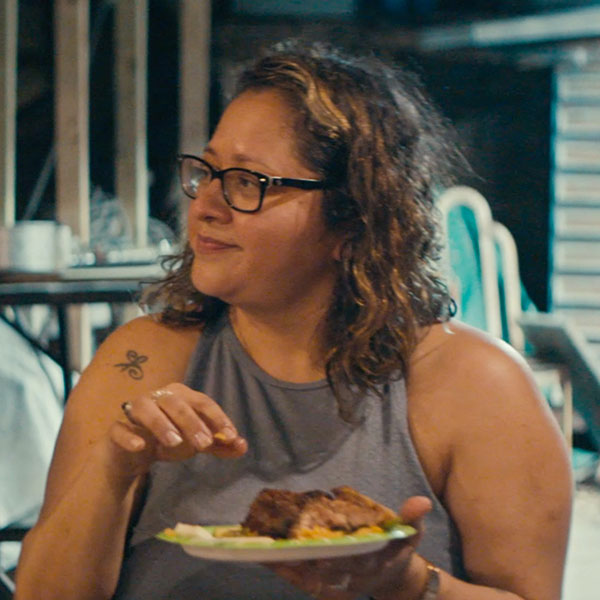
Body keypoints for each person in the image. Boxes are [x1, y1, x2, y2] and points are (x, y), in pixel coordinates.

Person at [14, 40, 572, 600]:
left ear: (352, 219)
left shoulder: (477, 385)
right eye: (207, 171)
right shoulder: (144, 362)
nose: (207, 203)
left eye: (248, 182)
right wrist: (115, 470)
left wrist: (408, 585)